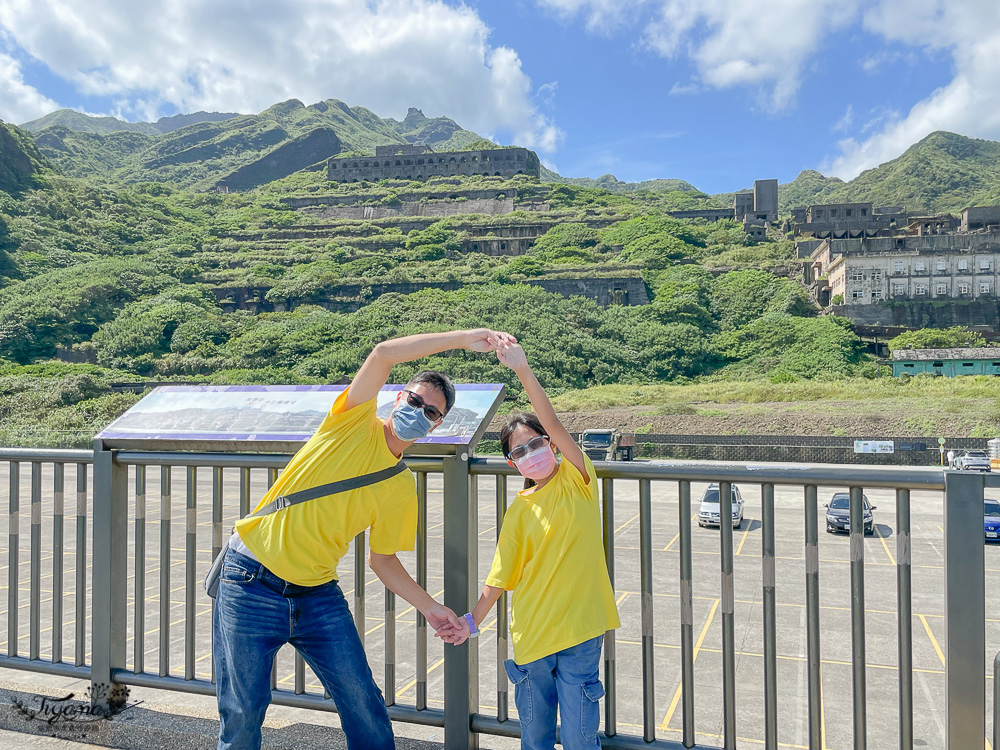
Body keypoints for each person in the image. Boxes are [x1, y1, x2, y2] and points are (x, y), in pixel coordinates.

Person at [213, 328, 514, 750]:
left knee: (364, 705)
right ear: (396, 398)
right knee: (243, 712)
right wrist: (466, 339)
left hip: (317, 594)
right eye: (415, 400)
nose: (419, 411)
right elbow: (384, 353)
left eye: (430, 412)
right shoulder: (352, 422)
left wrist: (431, 608)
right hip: (250, 581)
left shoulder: (400, 486)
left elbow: (383, 559)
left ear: (438, 425)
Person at [448, 341, 620, 750]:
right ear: (513, 464)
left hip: (580, 633)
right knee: (535, 738)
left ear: (552, 444)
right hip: (532, 636)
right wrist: (472, 621)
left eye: (537, 442)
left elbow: (554, 421)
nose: (531, 453)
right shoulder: (519, 510)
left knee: (581, 738)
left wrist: (523, 369)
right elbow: (501, 575)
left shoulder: (577, 480)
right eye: (519, 451)